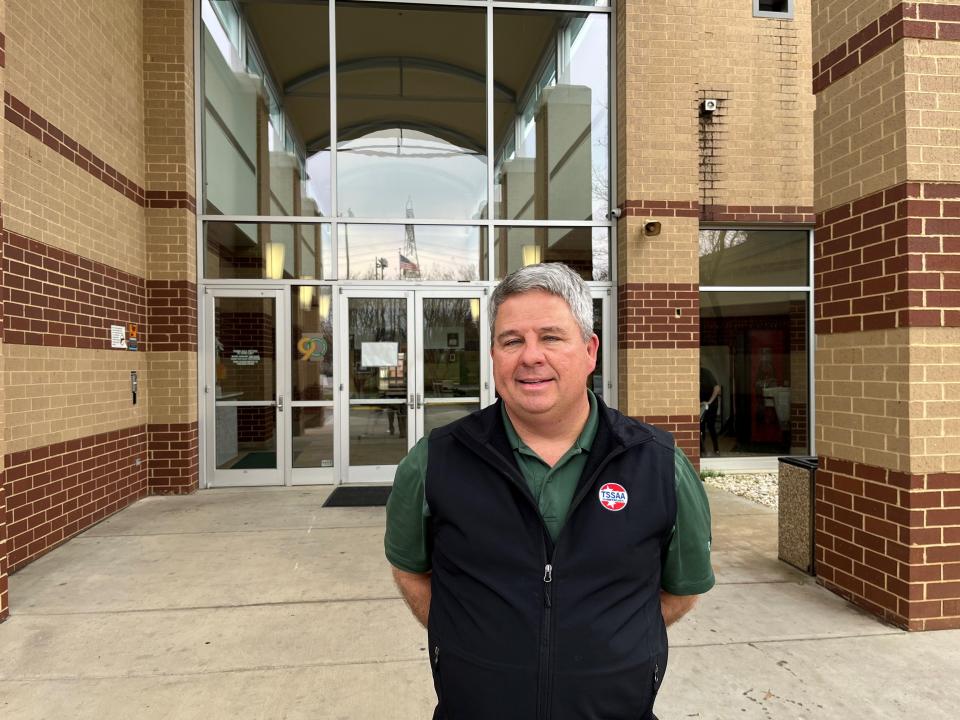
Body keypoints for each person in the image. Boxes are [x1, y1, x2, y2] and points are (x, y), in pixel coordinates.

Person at [385, 263, 714, 720]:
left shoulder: (659, 464)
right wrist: (465, 639)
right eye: (512, 340)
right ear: (494, 354)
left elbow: (682, 590)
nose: (530, 356)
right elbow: (410, 570)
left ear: (590, 351)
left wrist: (611, 645)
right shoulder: (434, 461)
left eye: (551, 337)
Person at [700, 366, 721, 456]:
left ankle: (716, 449)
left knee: (711, 425)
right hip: (701, 404)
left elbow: (717, 389)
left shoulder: (706, 373)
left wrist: (709, 402)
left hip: (711, 403)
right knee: (701, 426)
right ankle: (701, 450)